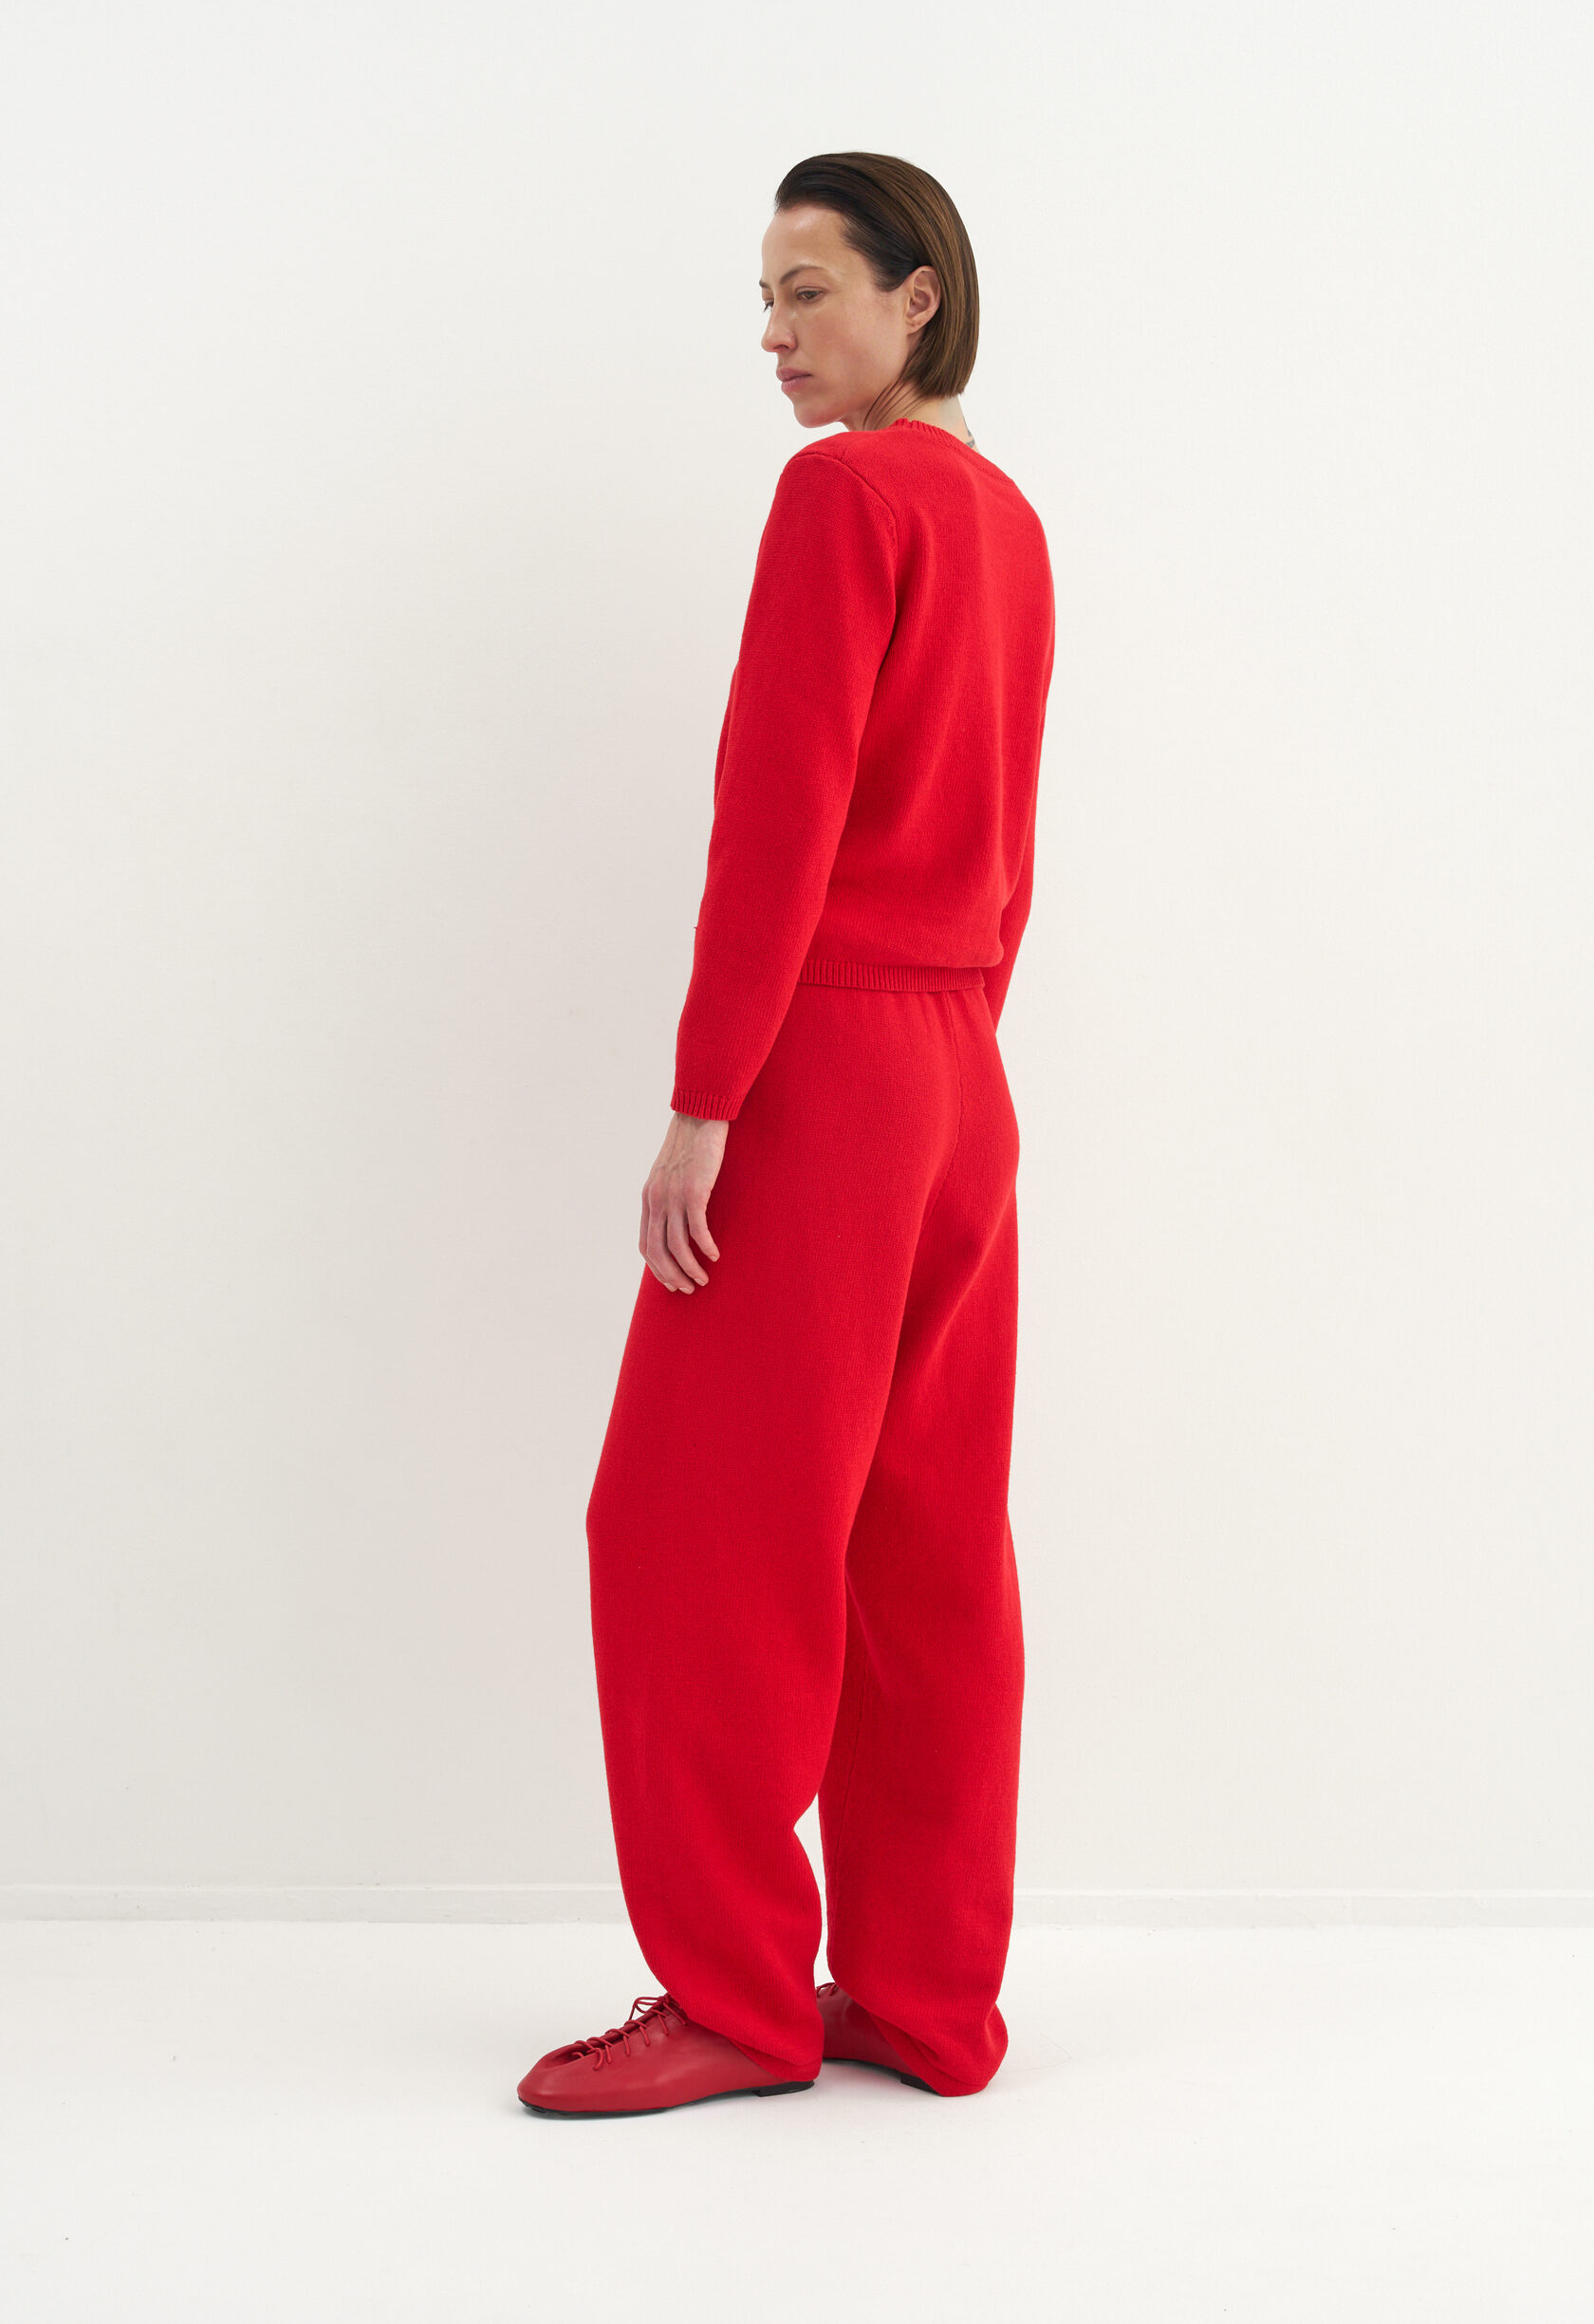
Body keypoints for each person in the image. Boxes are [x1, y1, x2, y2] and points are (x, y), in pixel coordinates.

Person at [518, 152, 1055, 2118]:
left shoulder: (847, 496)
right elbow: (1002, 847)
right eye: (762, 297)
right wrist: (952, 1054)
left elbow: (780, 815)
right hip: (959, 1074)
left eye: (808, 290)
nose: (773, 333)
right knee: (924, 1549)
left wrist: (708, 1100)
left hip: (828, 1061)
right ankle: (926, 1995)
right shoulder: (1012, 526)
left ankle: (736, 1993)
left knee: (689, 1529)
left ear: (920, 297)